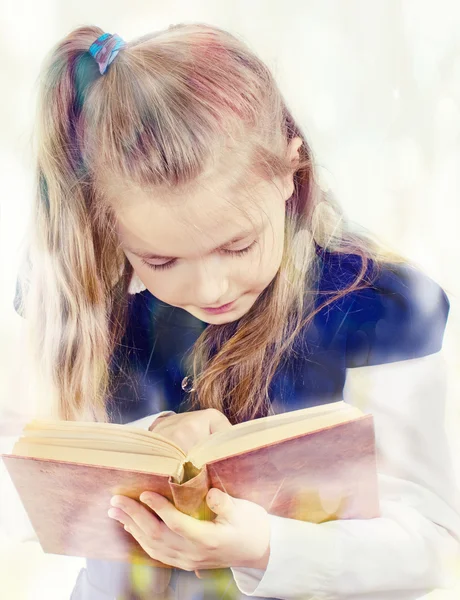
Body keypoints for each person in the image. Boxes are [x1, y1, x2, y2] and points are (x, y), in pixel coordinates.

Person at [11, 22, 460, 600]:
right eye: (162, 260)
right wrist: (151, 441)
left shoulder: (381, 306)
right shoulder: (80, 295)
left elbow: (430, 543)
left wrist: (268, 547)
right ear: (107, 226)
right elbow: (26, 504)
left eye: (238, 245)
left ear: (290, 173)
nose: (211, 285)